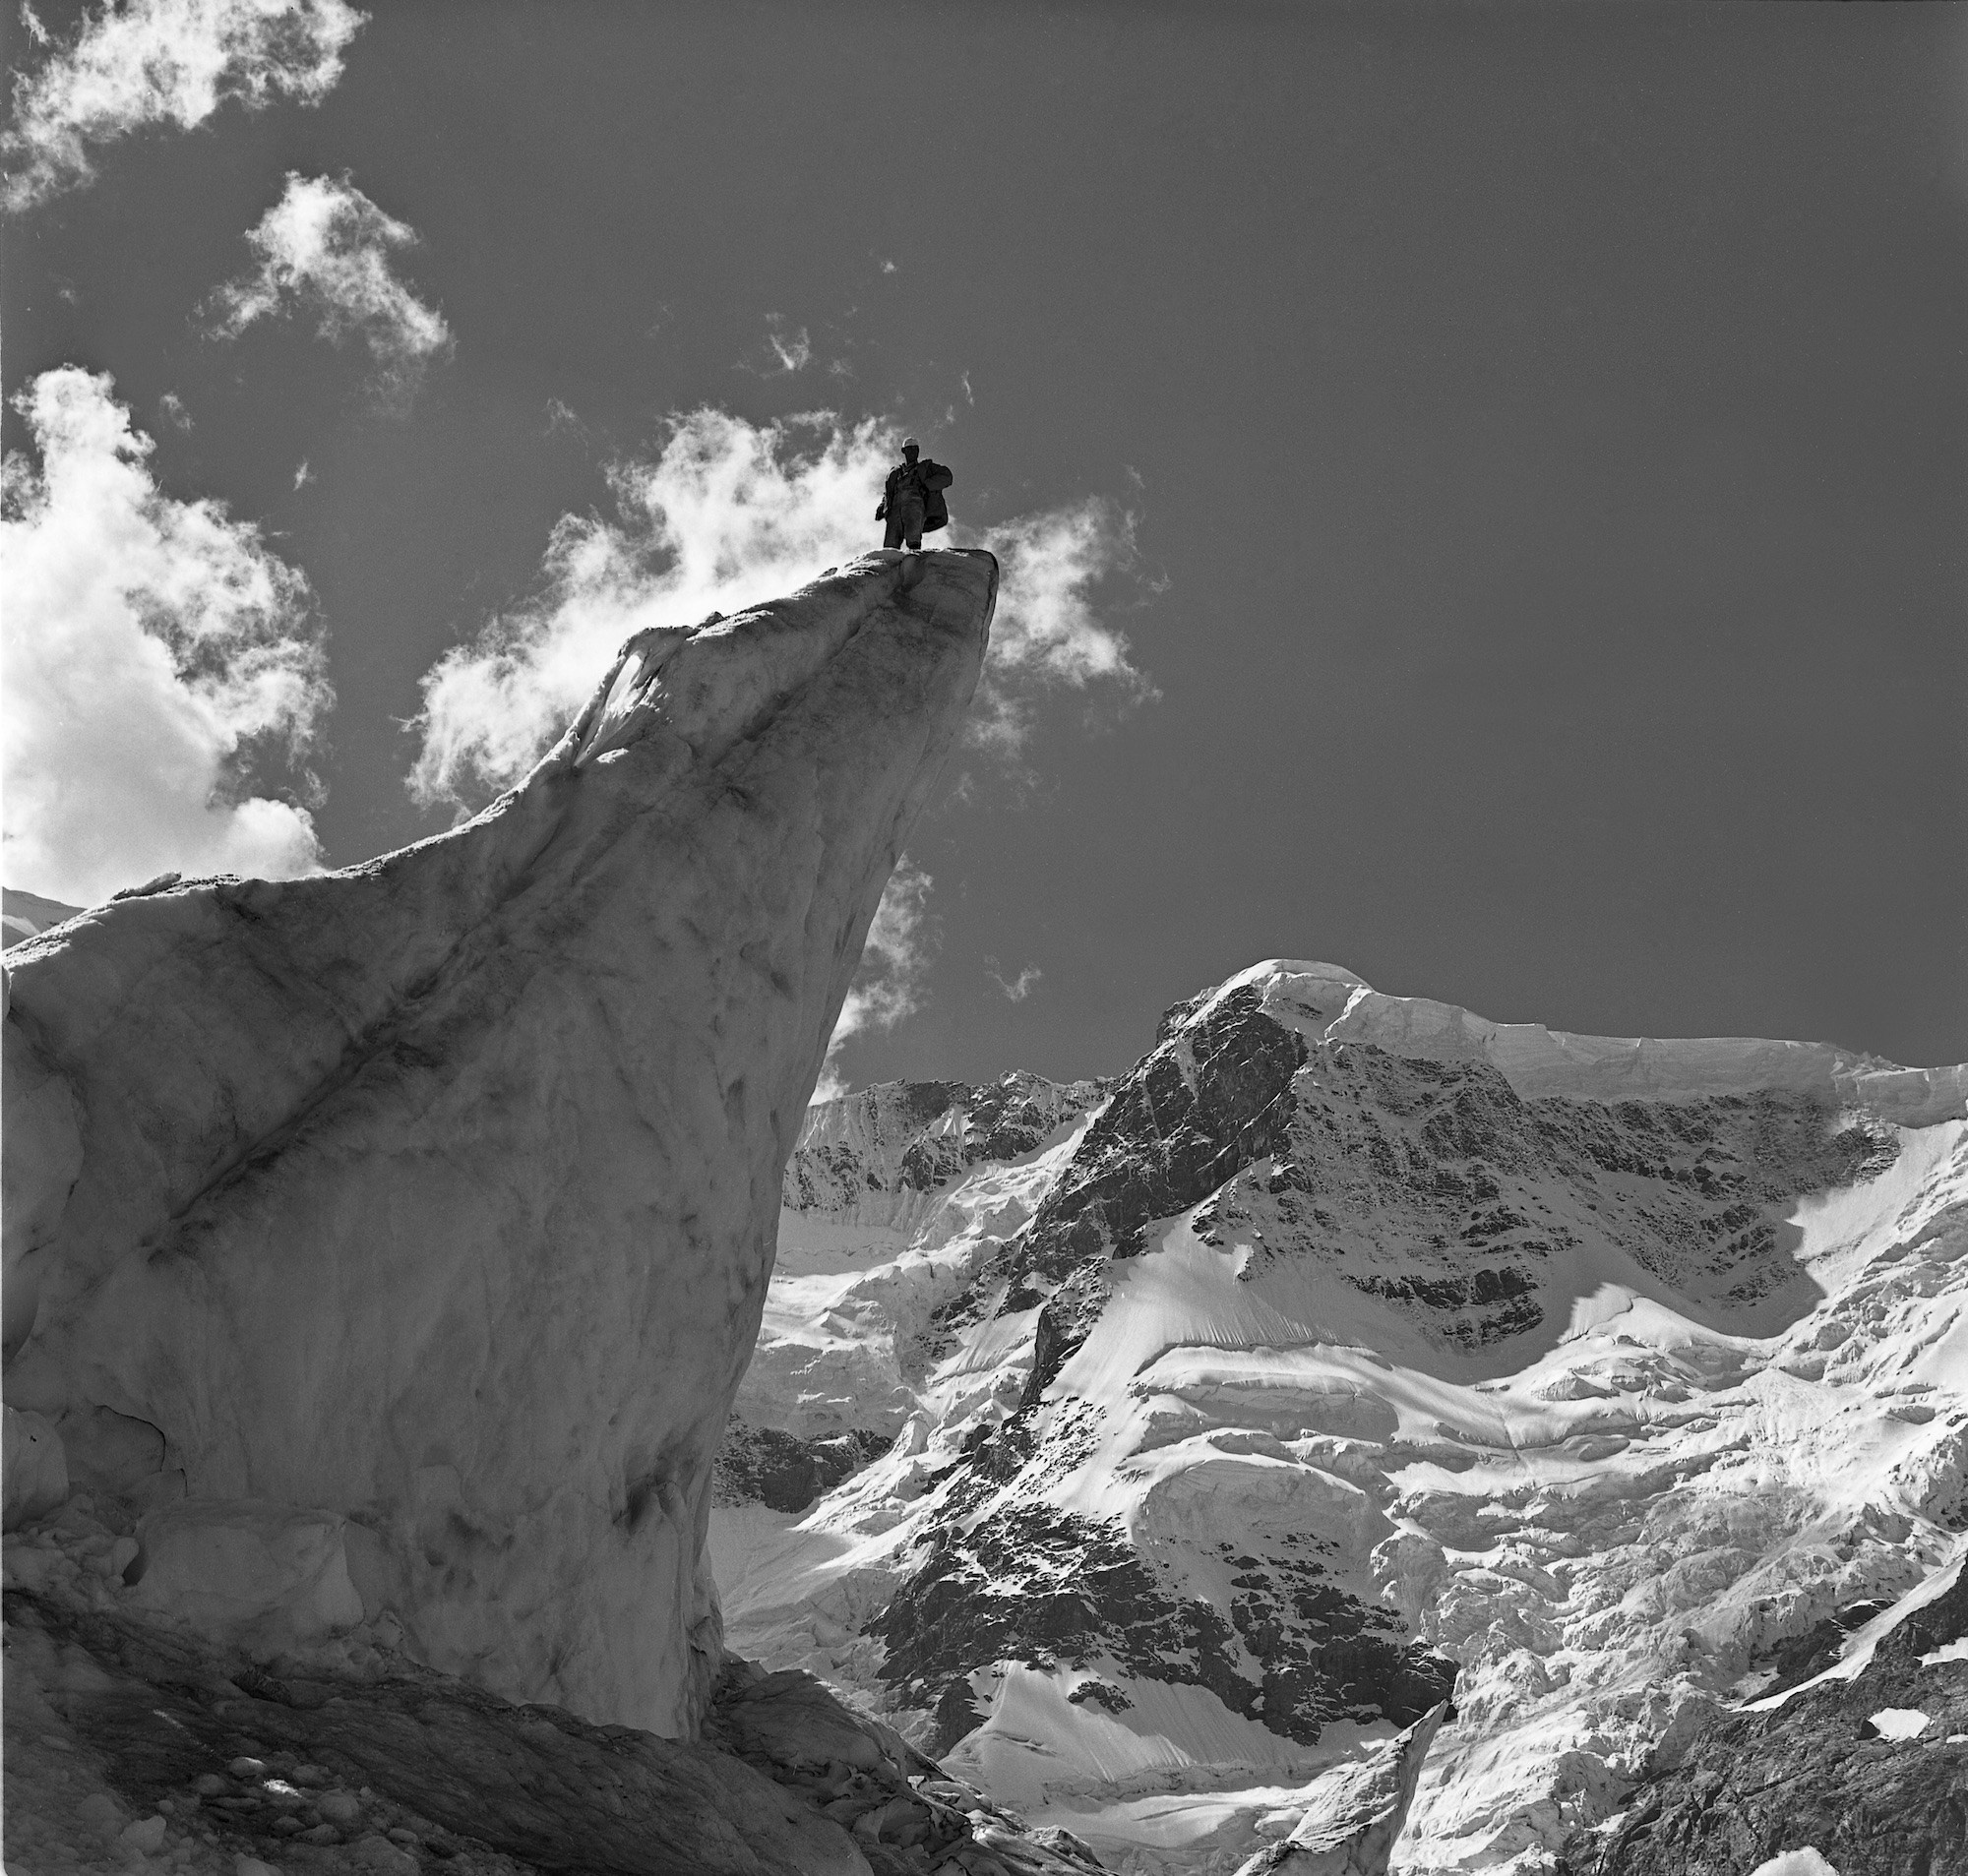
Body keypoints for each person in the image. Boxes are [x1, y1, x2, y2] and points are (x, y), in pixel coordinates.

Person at [876, 439, 953, 551]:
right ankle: (889, 561)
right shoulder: (895, 473)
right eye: (910, 449)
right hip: (895, 508)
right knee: (891, 540)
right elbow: (888, 492)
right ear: (904, 451)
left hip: (914, 502)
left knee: (913, 534)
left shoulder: (925, 467)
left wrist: (927, 485)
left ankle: (914, 556)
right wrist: (883, 506)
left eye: (915, 449)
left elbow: (947, 476)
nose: (913, 451)